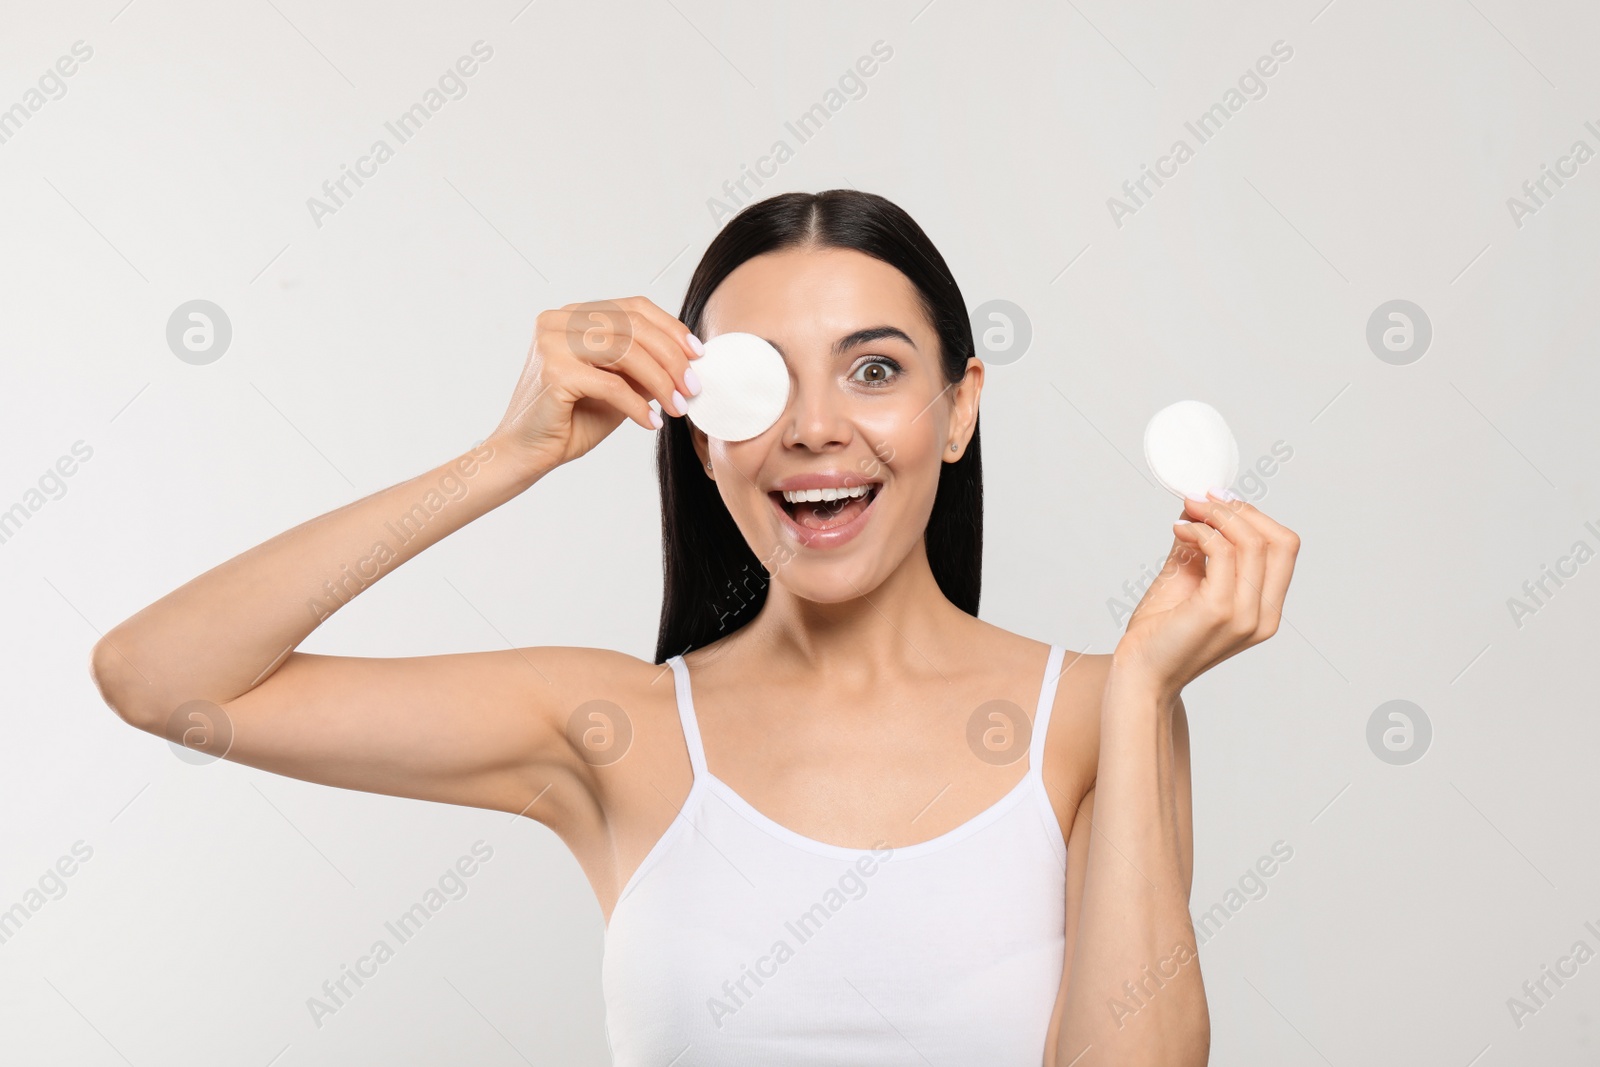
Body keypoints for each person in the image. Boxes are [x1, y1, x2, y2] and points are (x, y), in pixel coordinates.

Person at [90, 189, 1299, 1065]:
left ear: (957, 407)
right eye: (758, 382)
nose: (817, 428)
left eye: (873, 371)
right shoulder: (613, 728)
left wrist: (1144, 687)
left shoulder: (1097, 715)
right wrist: (504, 456)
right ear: (694, 423)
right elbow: (161, 678)